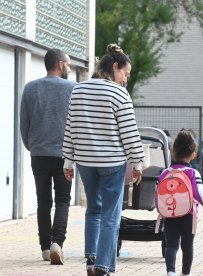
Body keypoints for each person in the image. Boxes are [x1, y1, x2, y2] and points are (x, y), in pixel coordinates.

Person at [62, 44, 144, 276]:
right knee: (111, 214)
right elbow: (130, 132)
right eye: (124, 73)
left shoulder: (78, 90)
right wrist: (137, 163)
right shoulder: (118, 94)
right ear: (115, 67)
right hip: (111, 162)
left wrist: (68, 161)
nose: (125, 79)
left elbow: (71, 127)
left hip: (85, 162)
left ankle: (90, 260)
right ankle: (103, 266)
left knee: (93, 210)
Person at [20, 48, 76, 265]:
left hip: (39, 154)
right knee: (63, 200)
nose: (69, 69)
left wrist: (31, 145)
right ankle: (57, 244)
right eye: (69, 65)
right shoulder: (73, 88)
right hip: (64, 155)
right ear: (61, 64)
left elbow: (24, 123)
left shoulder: (30, 88)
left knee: (43, 201)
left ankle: (44, 247)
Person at [159, 130, 203, 276]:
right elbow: (199, 195)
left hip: (169, 214)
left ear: (173, 151)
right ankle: (185, 273)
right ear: (193, 154)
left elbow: (158, 196)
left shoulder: (165, 173)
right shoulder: (193, 173)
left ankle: (171, 272)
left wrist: (160, 210)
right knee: (187, 246)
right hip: (189, 215)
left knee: (171, 245)